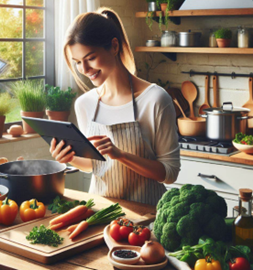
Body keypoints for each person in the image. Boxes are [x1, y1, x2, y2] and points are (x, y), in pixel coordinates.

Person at [50, 7, 180, 206]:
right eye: (77, 62)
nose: (84, 70)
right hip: (101, 214)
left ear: (114, 46)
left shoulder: (155, 99)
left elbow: (169, 173)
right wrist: (70, 158)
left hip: (147, 219)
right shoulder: (85, 104)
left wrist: (120, 155)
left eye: (90, 58)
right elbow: (94, 166)